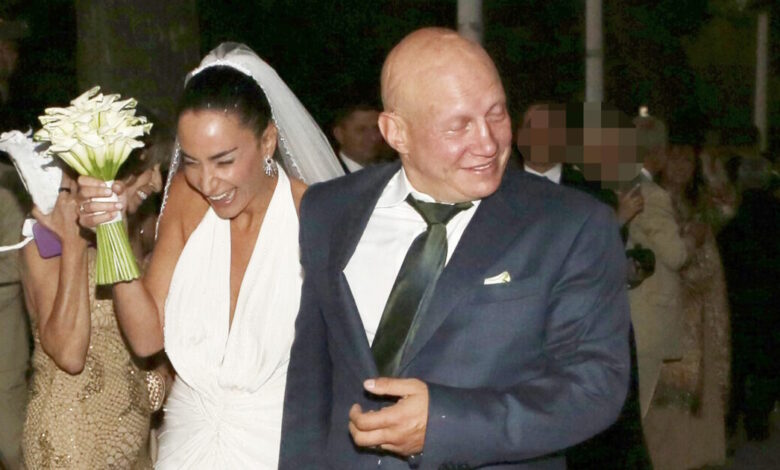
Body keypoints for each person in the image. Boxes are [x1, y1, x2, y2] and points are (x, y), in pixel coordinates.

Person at [280, 28, 630, 469]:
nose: (488, 143)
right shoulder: (330, 210)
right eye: (458, 125)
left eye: (497, 114)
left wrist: (446, 425)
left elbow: (595, 388)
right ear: (395, 132)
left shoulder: (571, 225)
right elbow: (310, 380)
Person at [77, 43, 342, 468]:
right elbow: (146, 338)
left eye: (223, 161)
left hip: (279, 449)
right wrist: (112, 232)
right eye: (192, 161)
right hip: (186, 445)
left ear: (268, 141)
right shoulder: (187, 197)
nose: (207, 181)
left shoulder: (314, 214)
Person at [517, 103, 652, 469]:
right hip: (520, 338)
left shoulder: (594, 193)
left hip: (585, 331)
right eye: (533, 127)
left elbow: (611, 258)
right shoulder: (493, 189)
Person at [20, 158, 164, 468]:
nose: (157, 182)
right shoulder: (46, 236)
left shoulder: (134, 227)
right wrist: (74, 245)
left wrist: (154, 383)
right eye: (147, 169)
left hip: (131, 447)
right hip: (70, 446)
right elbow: (69, 355)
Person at [642, 142, 730, 468]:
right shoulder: (652, 199)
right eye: (676, 159)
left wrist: (712, 171)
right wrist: (691, 241)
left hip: (702, 309)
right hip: (668, 307)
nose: (682, 167)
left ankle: (695, 457)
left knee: (701, 386)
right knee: (667, 388)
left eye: (688, 161)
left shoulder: (697, 202)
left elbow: (726, 210)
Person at [628, 115, 697, 419]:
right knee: (640, 405)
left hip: (625, 307)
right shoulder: (652, 195)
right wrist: (692, 238)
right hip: (647, 313)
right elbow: (676, 255)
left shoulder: (617, 184)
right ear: (657, 152)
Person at [332, 103, 383, 173]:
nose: (373, 137)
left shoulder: (389, 170)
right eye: (361, 130)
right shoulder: (330, 173)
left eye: (377, 129)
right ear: (339, 135)